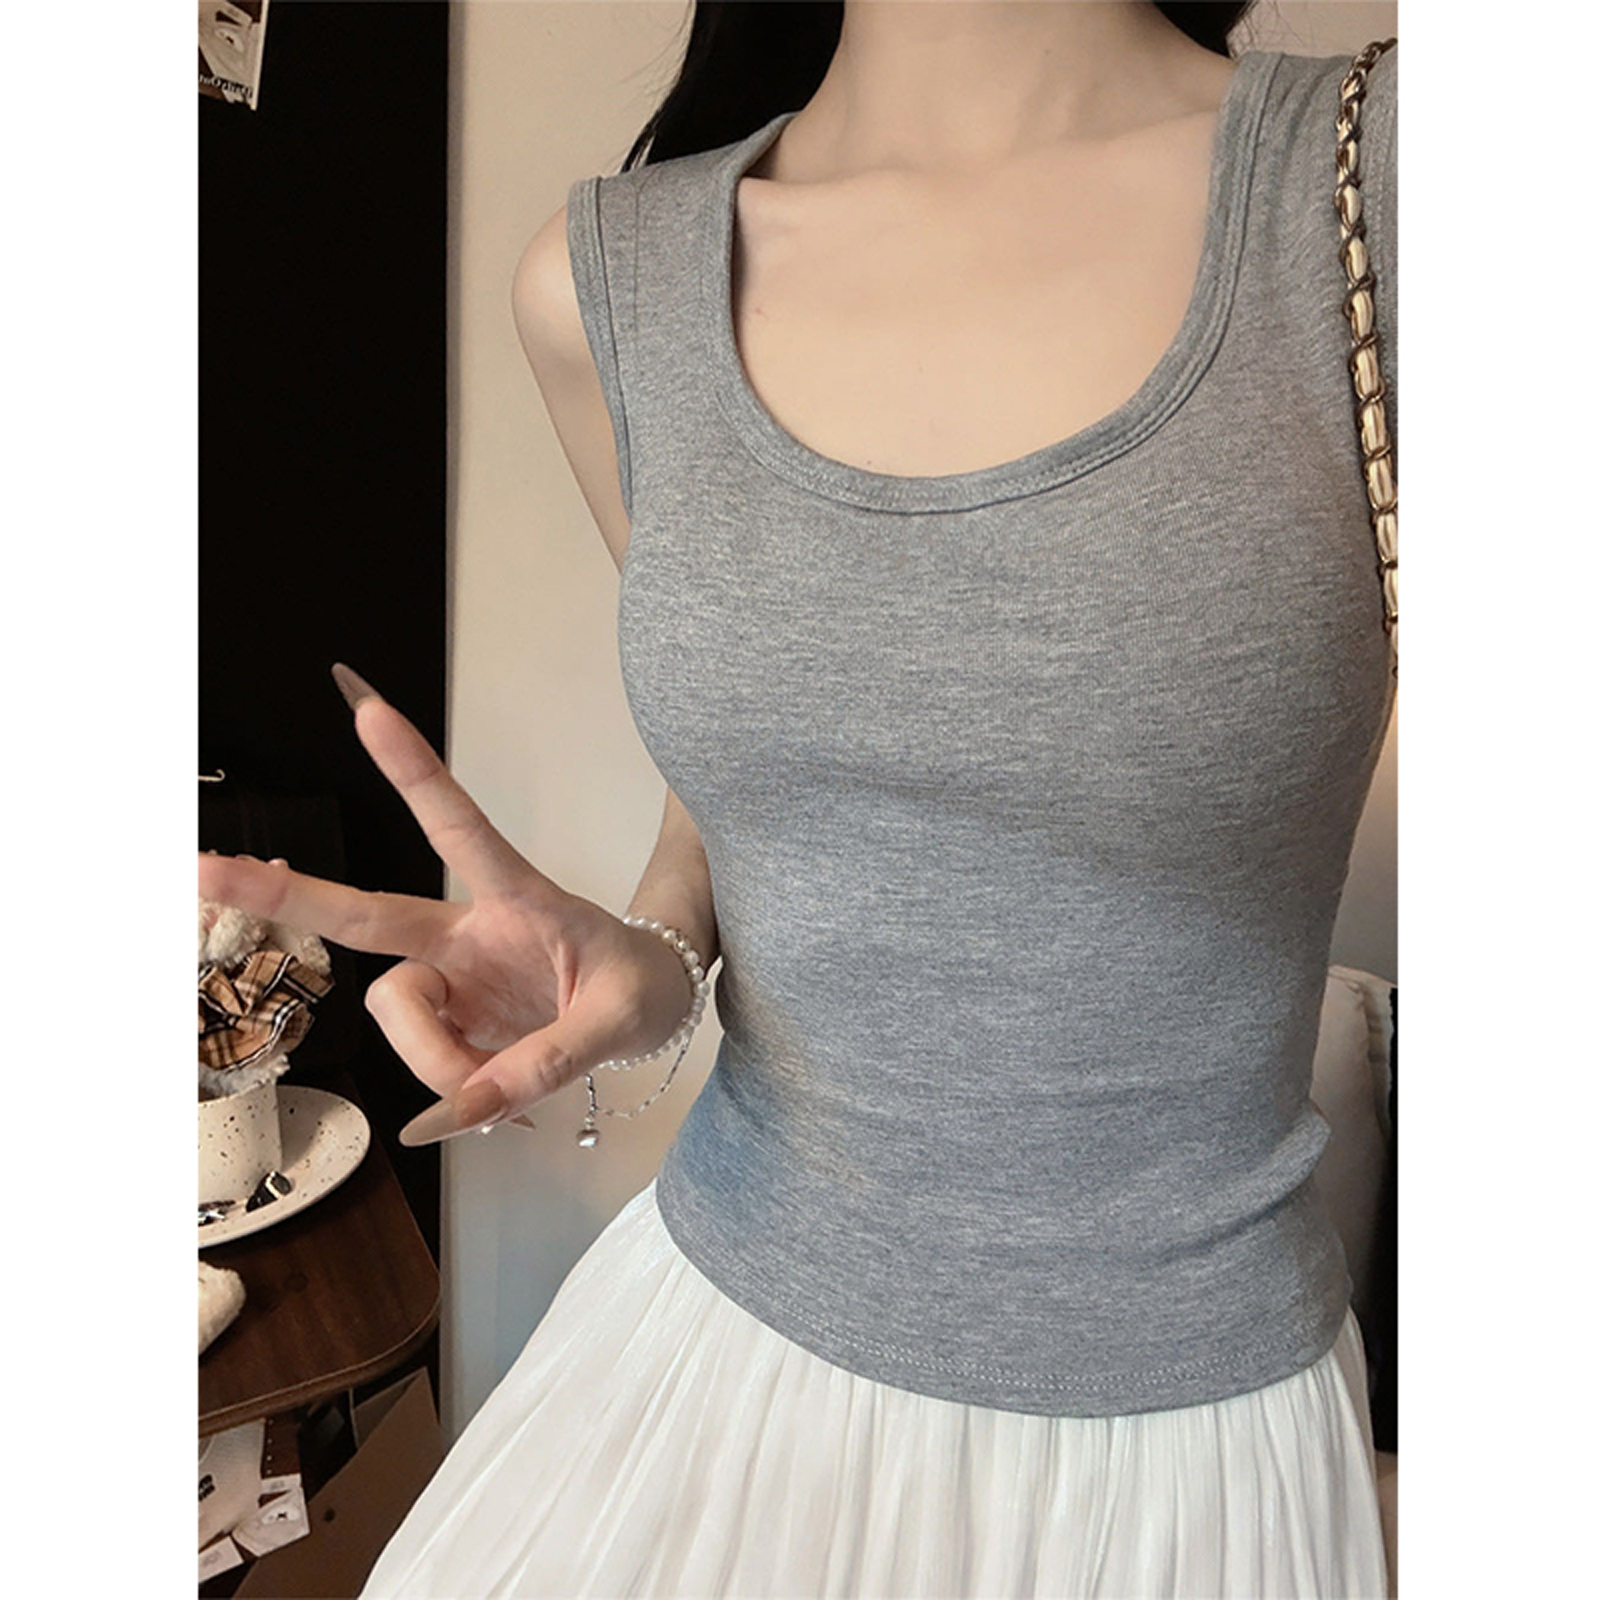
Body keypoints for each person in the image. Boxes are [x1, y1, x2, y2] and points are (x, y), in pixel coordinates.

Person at [198, 3, 1397, 1594]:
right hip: (710, 1354)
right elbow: (738, 793)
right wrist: (651, 954)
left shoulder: (1381, 187)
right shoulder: (605, 282)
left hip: (1180, 1446)